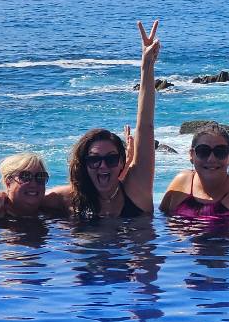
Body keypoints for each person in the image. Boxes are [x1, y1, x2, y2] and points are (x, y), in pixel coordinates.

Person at [44, 20, 161, 218]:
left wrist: (147, 66)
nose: (103, 166)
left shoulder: (136, 190)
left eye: (111, 159)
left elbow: (145, 126)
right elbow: (21, 199)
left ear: (122, 163)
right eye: (94, 160)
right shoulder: (67, 199)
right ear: (83, 164)